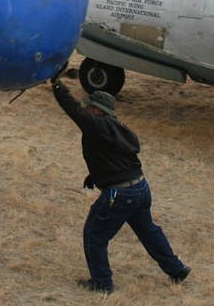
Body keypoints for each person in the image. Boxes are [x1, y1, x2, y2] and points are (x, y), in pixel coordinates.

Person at [51, 80, 191, 294]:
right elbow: (115, 159)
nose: (86, 109)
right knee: (148, 231)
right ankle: (176, 269)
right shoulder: (116, 127)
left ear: (97, 110)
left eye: (89, 107)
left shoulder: (98, 125)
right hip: (140, 188)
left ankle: (102, 283)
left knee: (95, 234)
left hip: (121, 194)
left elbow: (73, 110)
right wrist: (96, 176)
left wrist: (57, 86)